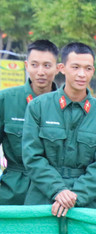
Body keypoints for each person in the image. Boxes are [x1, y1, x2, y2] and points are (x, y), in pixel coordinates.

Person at [22, 42, 96, 215]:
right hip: (43, 196)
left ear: (93, 71)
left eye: (88, 68)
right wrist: (58, 190)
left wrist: (76, 196)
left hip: (86, 202)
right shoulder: (38, 107)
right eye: (75, 67)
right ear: (62, 68)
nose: (82, 74)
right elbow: (32, 156)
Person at [0, 40, 59, 205]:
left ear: (57, 67)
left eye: (47, 65)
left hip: (52, 194)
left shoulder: (64, 104)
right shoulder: (6, 100)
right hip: (13, 192)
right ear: (26, 65)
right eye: (35, 65)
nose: (40, 72)